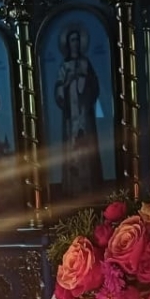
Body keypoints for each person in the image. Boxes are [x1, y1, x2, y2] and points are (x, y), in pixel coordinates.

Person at [55, 25, 103, 194]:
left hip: (84, 113)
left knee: (87, 146)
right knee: (73, 147)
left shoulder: (86, 63)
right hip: (71, 116)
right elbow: (58, 91)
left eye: (77, 40)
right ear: (68, 44)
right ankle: (73, 188)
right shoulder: (64, 66)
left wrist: (84, 80)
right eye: (72, 40)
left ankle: (90, 186)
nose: (74, 43)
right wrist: (68, 82)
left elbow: (94, 86)